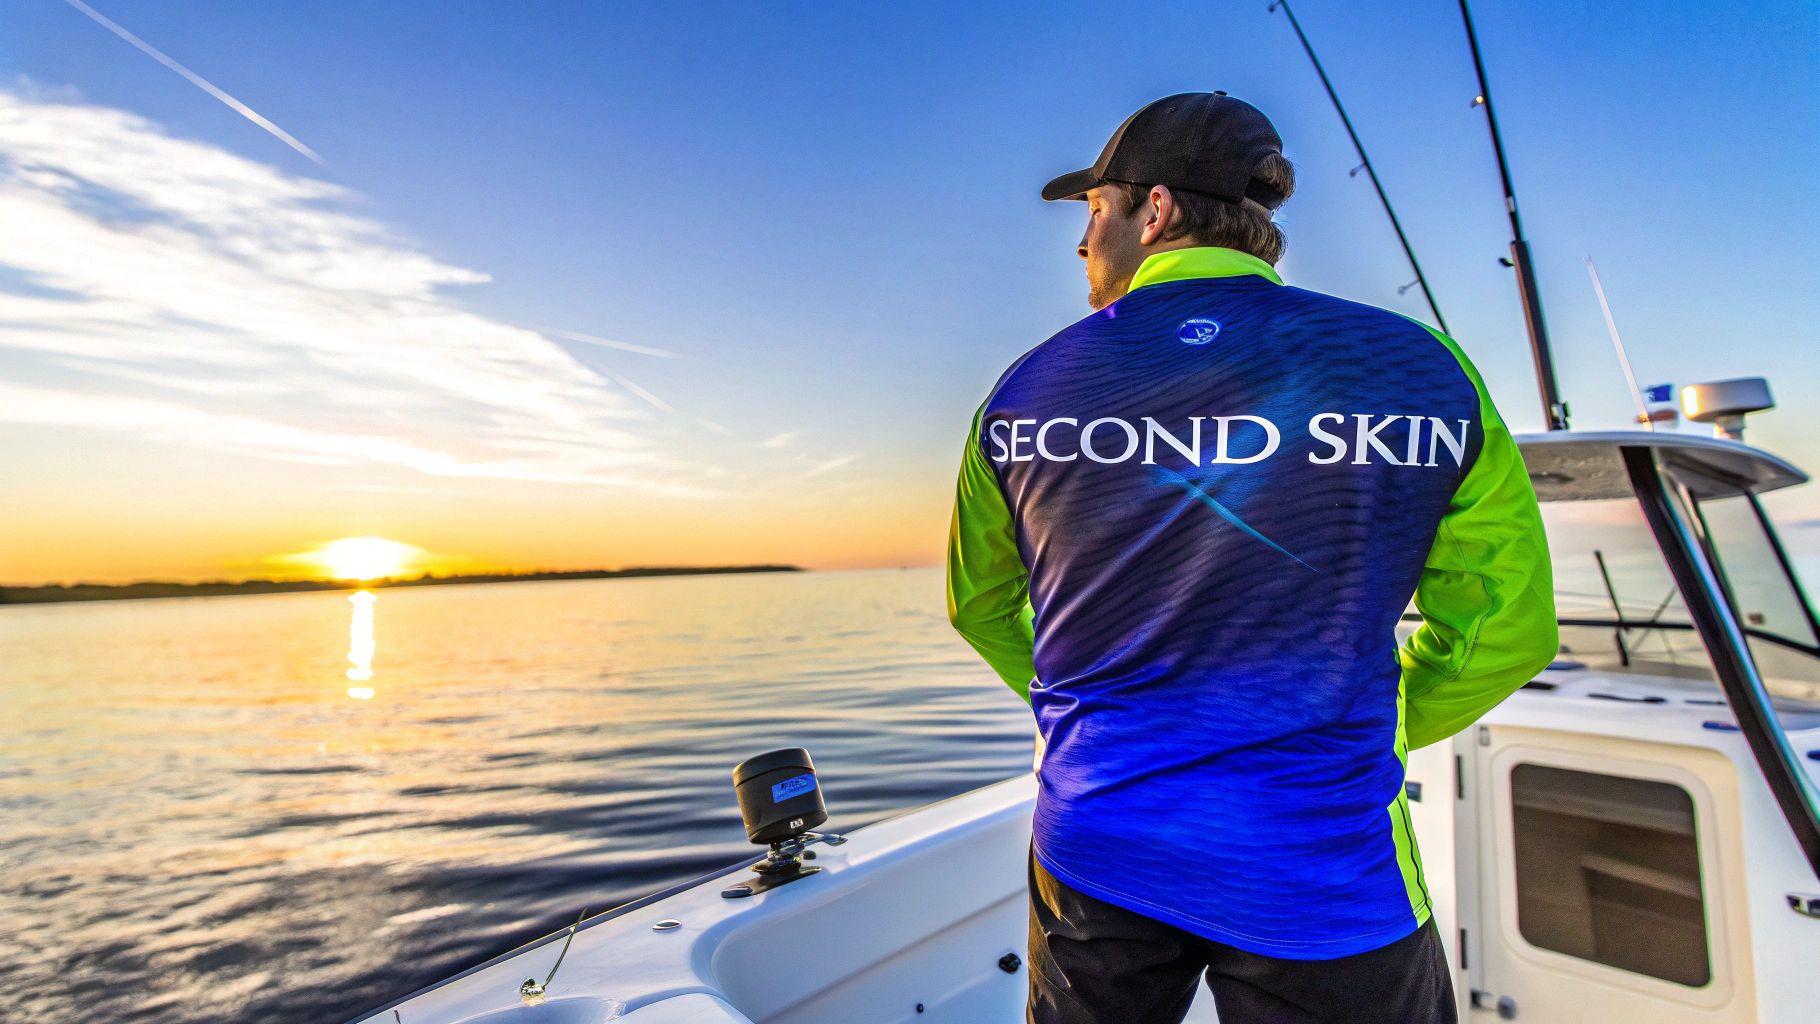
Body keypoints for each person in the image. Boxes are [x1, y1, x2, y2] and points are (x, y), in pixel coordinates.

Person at [945, 92, 1557, 1024]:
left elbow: (980, 607)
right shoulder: (1426, 371)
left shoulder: (1025, 392)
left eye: (1093, 211)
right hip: (1322, 860)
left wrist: (1105, 710)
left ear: (1152, 210)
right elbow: (1507, 627)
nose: (1082, 242)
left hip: (1099, 844)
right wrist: (1345, 730)